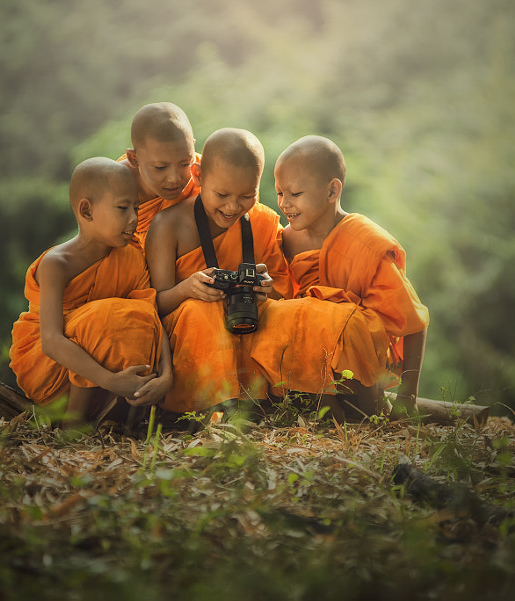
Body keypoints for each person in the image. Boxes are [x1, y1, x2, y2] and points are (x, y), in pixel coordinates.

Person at [255, 135, 429, 418]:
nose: (284, 204)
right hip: (306, 368)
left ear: (332, 191)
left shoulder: (365, 242)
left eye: (295, 194)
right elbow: (283, 301)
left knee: (331, 314)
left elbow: (414, 322)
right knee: (276, 314)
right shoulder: (284, 241)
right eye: (279, 193)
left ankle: (363, 411)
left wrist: (407, 399)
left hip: (358, 376)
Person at [9, 157, 172, 427]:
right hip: (50, 369)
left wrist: (167, 377)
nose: (134, 218)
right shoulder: (57, 264)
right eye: (122, 208)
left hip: (118, 381)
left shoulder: (132, 258)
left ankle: (114, 418)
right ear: (87, 210)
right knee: (100, 316)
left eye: (136, 207)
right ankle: (73, 424)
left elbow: (152, 317)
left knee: (138, 313)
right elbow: (51, 341)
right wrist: (109, 379)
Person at [145, 128, 291, 415]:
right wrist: (187, 289)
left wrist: (265, 290)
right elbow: (153, 306)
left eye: (248, 195)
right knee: (202, 310)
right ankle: (212, 409)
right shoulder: (168, 226)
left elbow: (285, 293)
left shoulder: (263, 222)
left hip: (245, 326)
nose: (233, 206)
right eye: (222, 194)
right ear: (198, 176)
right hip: (191, 333)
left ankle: (265, 401)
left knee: (280, 314)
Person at [119, 102, 200, 251]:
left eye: (185, 163)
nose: (174, 178)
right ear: (134, 159)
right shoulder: (114, 186)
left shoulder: (205, 174)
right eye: (160, 167)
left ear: (192, 147)